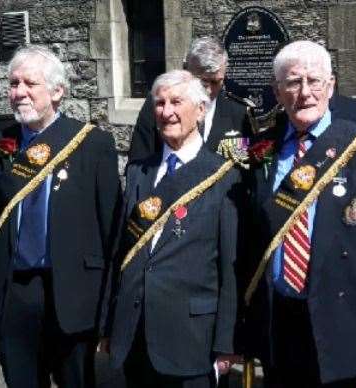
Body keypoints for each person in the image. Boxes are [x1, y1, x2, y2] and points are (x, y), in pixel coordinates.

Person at [243, 40, 356, 388]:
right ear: (277, 91)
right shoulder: (263, 149)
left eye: (314, 81)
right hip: (282, 324)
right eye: (292, 82)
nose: (304, 92)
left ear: (331, 86)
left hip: (349, 322)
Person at [0, 45, 120, 388]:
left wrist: (110, 305)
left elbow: (111, 229)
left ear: (57, 92)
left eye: (29, 83)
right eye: (13, 83)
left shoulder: (93, 144)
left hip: (75, 294)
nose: (19, 92)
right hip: (12, 294)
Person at [102, 70, 240, 388]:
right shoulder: (139, 172)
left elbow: (230, 267)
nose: (167, 112)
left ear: (201, 110)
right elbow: (121, 253)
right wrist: (109, 325)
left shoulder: (224, 176)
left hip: (191, 339)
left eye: (177, 101)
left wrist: (226, 343)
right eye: (160, 103)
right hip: (135, 333)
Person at [128, 37, 252, 161]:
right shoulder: (159, 104)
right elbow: (138, 163)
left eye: (215, 82)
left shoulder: (238, 114)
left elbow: (244, 170)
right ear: (185, 70)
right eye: (202, 81)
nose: (208, 90)